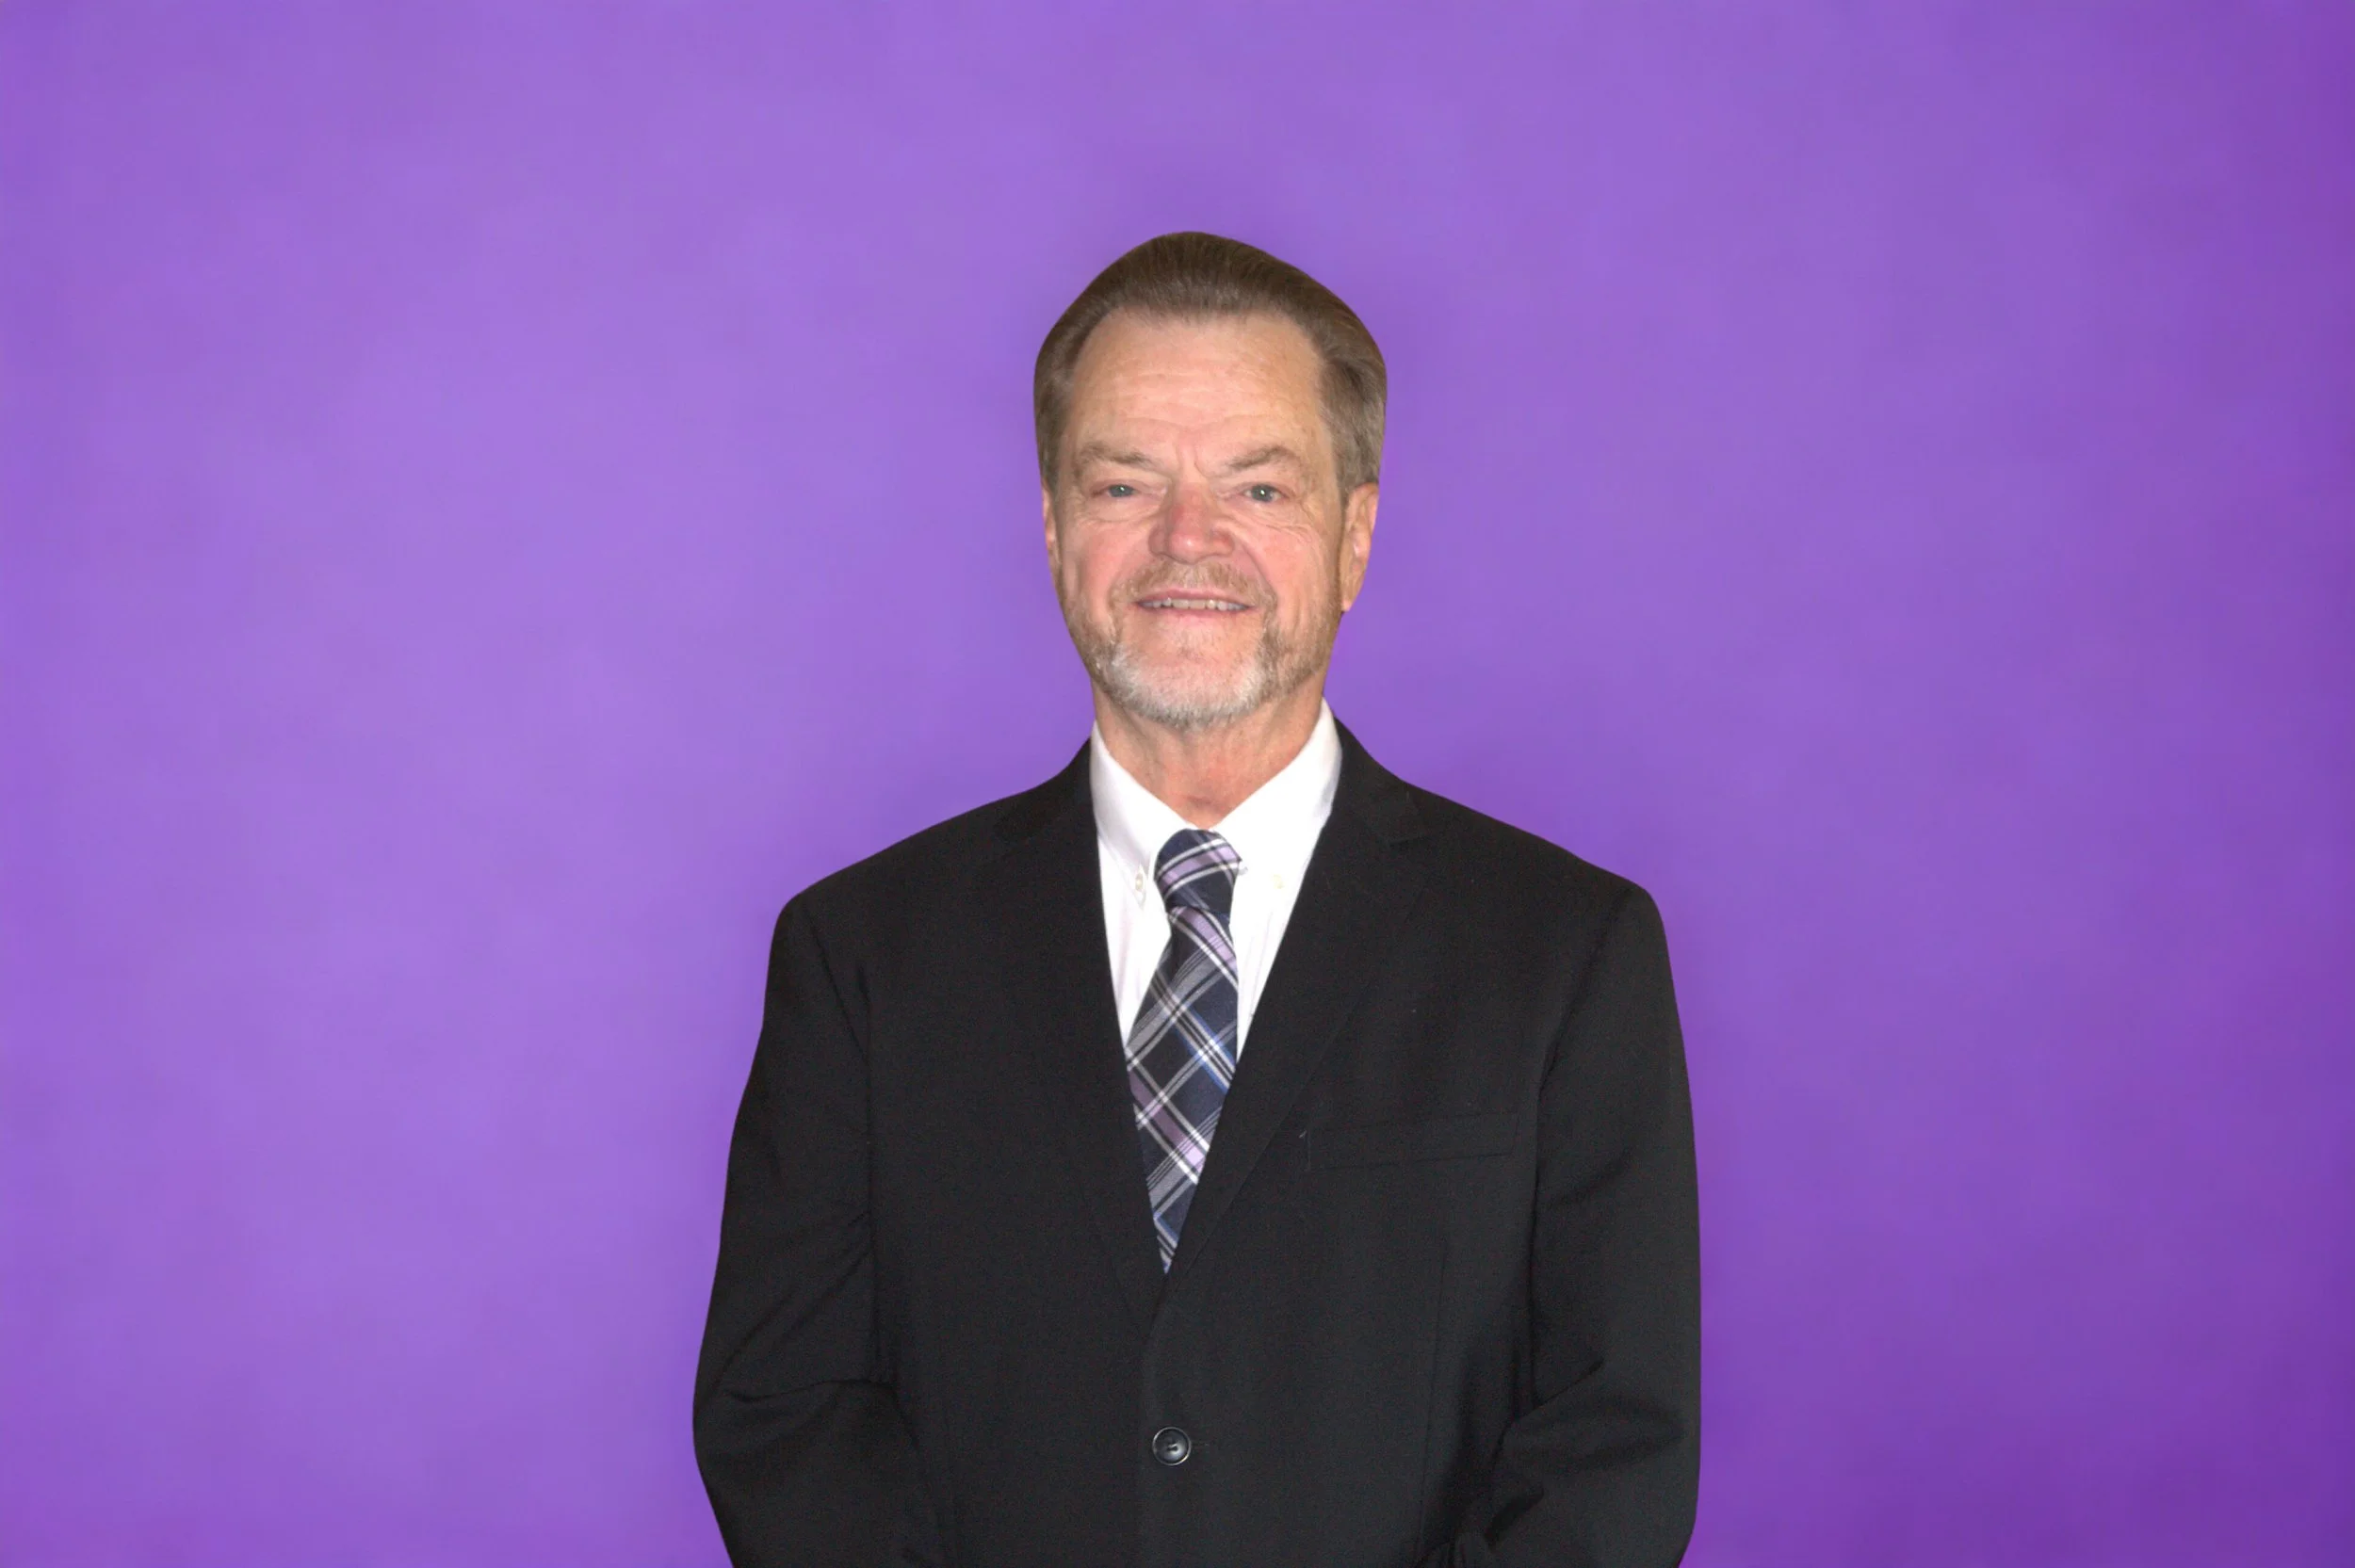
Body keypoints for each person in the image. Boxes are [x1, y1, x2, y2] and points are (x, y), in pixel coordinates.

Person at [693, 232, 1699, 1567]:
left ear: (1354, 535)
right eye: (1124, 481)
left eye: (1260, 487)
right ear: (1054, 528)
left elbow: (1611, 1446)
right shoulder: (859, 957)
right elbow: (788, 1417)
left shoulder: (1566, 957)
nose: (1188, 541)